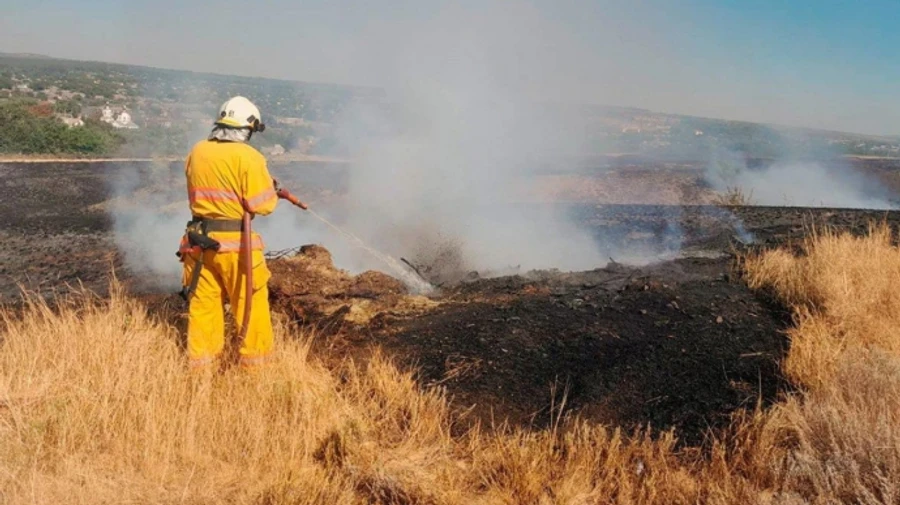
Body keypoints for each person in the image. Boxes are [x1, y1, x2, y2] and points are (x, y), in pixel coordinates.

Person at [177, 96, 278, 370]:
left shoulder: (197, 151)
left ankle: (202, 372)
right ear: (248, 128)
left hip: (198, 244)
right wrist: (268, 187)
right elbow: (263, 204)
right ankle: (255, 373)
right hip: (237, 249)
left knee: (203, 308)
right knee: (250, 307)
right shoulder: (249, 157)